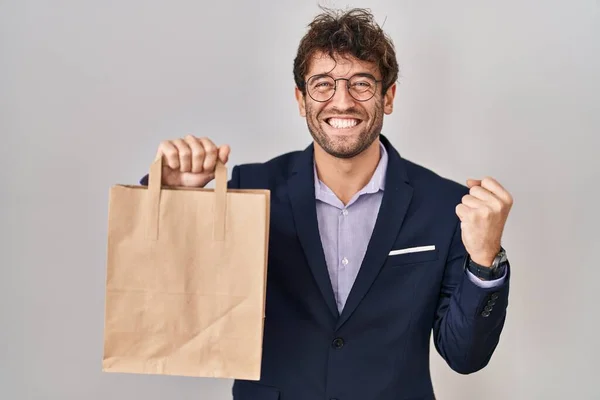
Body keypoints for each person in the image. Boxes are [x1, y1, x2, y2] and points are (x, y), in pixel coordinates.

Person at [142, 7, 513, 400]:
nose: (342, 102)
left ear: (388, 96)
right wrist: (170, 194)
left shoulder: (445, 205)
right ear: (301, 100)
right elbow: (176, 296)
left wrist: (485, 261)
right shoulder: (252, 189)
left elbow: (465, 355)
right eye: (323, 85)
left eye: (361, 84)